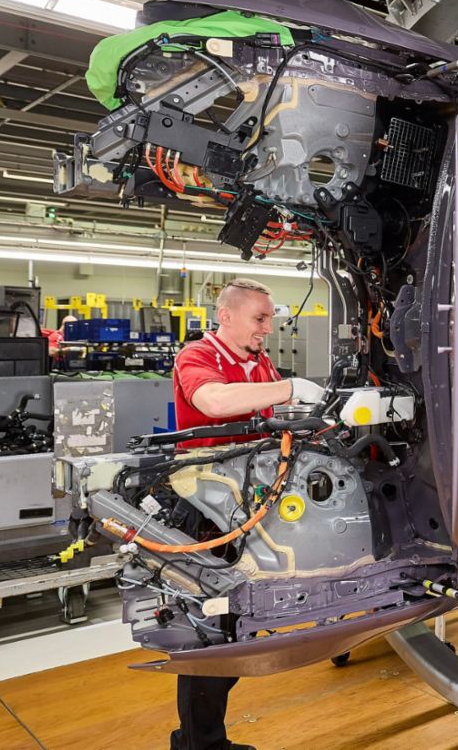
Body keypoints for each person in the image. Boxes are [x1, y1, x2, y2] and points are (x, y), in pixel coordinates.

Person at [168, 278, 323, 750]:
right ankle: (200, 744)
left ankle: (201, 739)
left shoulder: (259, 363)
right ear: (227, 316)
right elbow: (213, 400)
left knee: (237, 624)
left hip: (250, 502)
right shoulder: (198, 356)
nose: (268, 328)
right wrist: (290, 386)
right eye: (260, 318)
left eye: (271, 318)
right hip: (206, 505)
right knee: (210, 629)